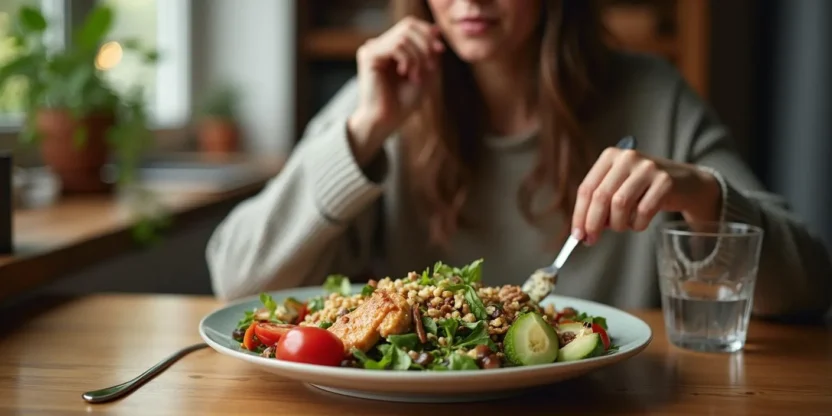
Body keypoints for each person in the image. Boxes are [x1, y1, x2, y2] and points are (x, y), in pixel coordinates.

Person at [206, 0, 832, 320]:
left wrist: (701, 194)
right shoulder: (382, 100)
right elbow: (235, 277)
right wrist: (367, 129)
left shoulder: (651, 96)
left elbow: (809, 285)